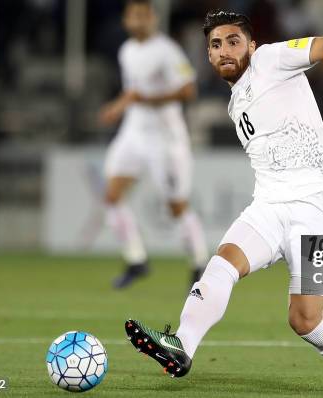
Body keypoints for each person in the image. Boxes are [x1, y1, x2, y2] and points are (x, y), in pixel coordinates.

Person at [125, 10, 323, 392]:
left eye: (233, 41)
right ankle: (181, 346)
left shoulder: (271, 59)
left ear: (252, 45)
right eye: (215, 45)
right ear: (208, 55)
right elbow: (285, 145)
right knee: (222, 264)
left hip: (317, 209)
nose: (224, 50)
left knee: (304, 321)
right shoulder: (236, 101)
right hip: (269, 204)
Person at [99, 0, 208, 289]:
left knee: (177, 206)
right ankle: (137, 260)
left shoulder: (166, 50)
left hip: (165, 137)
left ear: (153, 19)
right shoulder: (127, 51)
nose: (139, 21)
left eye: (144, 15)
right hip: (134, 132)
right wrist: (119, 106)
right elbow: (133, 91)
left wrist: (144, 100)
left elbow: (188, 90)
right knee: (111, 196)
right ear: (125, 20)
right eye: (134, 15)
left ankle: (199, 262)